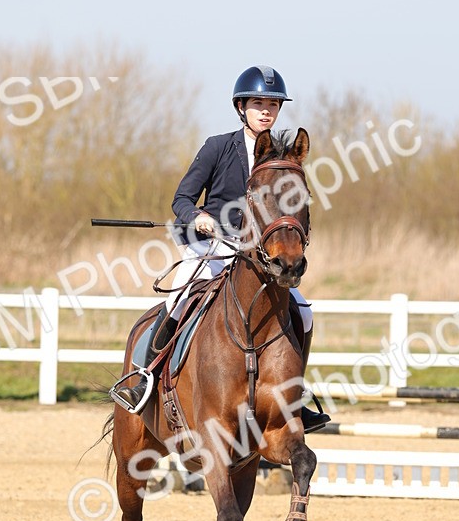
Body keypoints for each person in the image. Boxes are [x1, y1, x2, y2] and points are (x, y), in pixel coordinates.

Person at [117, 65, 328, 431]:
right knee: (176, 301)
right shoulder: (218, 147)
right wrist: (197, 215)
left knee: (304, 313)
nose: (266, 110)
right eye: (259, 103)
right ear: (241, 107)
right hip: (211, 249)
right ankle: (145, 380)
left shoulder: (280, 163)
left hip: (258, 257)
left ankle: (295, 395)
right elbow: (181, 197)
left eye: (273, 105)